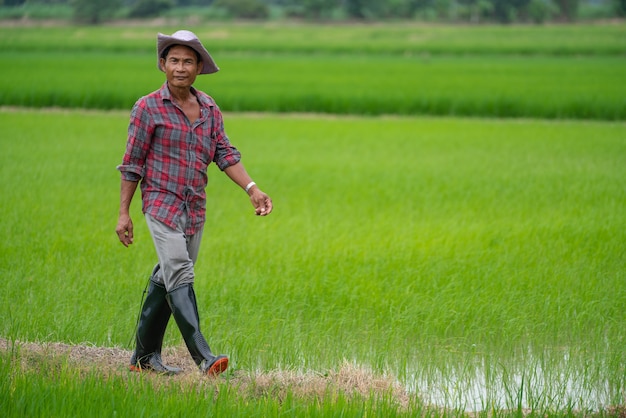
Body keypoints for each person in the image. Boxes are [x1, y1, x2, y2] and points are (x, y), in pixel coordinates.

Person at [115, 30, 273, 376]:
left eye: (188, 61)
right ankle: (204, 357)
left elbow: (224, 153)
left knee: (167, 275)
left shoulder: (209, 108)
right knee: (180, 271)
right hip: (160, 203)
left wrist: (252, 188)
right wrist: (124, 212)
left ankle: (143, 360)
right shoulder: (147, 108)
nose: (180, 67)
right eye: (174, 60)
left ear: (199, 67)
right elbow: (132, 162)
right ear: (162, 65)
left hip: (194, 207)